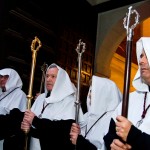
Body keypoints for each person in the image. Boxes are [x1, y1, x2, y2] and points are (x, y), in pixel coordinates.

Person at [21, 63, 84, 150]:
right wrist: (27, 126)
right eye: (47, 76)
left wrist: (35, 120)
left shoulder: (70, 101)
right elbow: (34, 125)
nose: (48, 79)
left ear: (61, 80)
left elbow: (63, 130)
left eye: (53, 76)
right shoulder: (41, 98)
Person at [104, 37, 150, 150]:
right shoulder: (131, 98)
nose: (141, 61)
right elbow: (109, 134)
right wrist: (114, 143)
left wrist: (134, 137)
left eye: (146, 55)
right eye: (140, 56)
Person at [70, 75, 122, 150]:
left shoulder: (113, 121)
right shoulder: (87, 116)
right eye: (90, 91)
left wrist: (80, 141)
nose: (90, 95)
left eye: (94, 91)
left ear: (105, 95)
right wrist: (79, 133)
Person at [0, 68, 27, 150]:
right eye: (1, 76)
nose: (2, 79)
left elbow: (16, 120)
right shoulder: (1, 92)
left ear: (13, 78)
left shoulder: (20, 94)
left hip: (9, 138)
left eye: (6, 77)